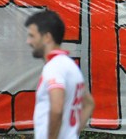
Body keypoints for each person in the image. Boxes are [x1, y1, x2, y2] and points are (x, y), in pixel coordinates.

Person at [25, 9, 94, 139]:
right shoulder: (70, 66)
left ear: (46, 37)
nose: (28, 41)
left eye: (32, 36)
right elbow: (89, 104)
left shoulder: (54, 67)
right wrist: (72, 134)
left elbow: (57, 108)